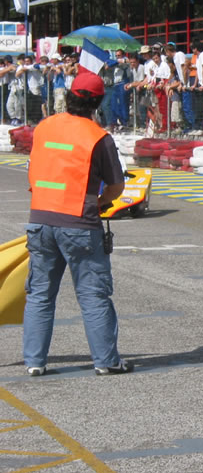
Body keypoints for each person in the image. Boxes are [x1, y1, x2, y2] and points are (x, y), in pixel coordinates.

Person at [23, 71, 132, 377]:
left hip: (41, 219)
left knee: (40, 294)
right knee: (93, 294)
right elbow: (116, 186)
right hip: (80, 223)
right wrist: (98, 204)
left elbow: (33, 171)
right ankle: (106, 361)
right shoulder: (98, 137)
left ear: (69, 95)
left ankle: (34, 362)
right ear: (97, 102)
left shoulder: (44, 127)